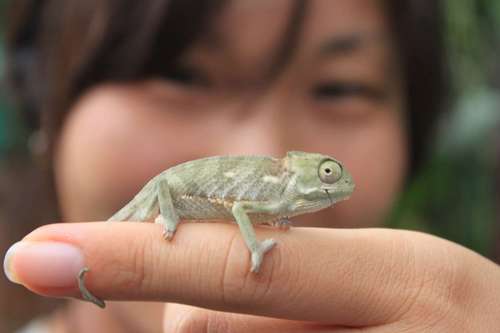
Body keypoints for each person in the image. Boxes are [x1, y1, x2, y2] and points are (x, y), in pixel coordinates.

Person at [3, 0, 500, 331]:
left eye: (340, 87)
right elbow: (241, 208)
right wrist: (254, 249)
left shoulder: (283, 194)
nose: (262, 138)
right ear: (44, 103)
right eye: (183, 75)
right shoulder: (274, 186)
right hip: (173, 192)